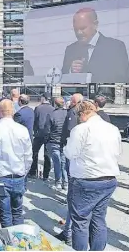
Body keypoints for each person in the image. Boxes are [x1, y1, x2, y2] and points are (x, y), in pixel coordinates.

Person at [64, 101, 121, 251]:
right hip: (108, 179)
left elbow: (71, 153)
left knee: (81, 221)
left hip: (86, 179)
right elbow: (118, 152)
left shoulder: (81, 129)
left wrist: (67, 144)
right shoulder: (113, 129)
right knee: (99, 219)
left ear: (83, 113)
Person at [0, 99, 32, 228]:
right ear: (13, 111)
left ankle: (9, 243)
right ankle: (18, 243)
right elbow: (28, 156)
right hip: (18, 175)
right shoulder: (23, 130)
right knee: (18, 213)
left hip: (0, 177)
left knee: (5, 215)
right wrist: (24, 172)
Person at [61, 8, 129, 83]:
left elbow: (123, 80)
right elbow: (62, 81)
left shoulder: (115, 47)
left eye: (83, 28)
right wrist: (71, 71)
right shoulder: (70, 50)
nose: (79, 33)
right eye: (76, 29)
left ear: (95, 24)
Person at [56, 93, 83, 245]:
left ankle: (69, 234)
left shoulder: (73, 113)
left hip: (77, 165)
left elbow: (70, 134)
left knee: (74, 200)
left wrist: (65, 147)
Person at [44, 97, 68, 189]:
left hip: (53, 141)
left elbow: (47, 129)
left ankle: (58, 182)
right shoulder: (67, 113)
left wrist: (46, 141)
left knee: (56, 162)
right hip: (64, 141)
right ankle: (65, 183)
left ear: (54, 104)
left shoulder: (51, 114)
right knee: (63, 162)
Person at [30, 93, 55, 179]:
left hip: (38, 134)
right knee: (47, 155)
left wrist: (35, 130)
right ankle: (45, 175)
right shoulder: (53, 109)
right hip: (49, 134)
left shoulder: (38, 108)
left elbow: (35, 120)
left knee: (34, 152)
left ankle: (33, 172)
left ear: (43, 98)